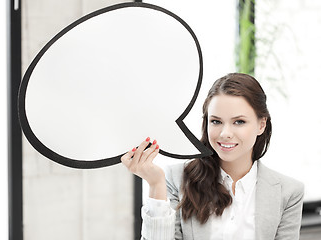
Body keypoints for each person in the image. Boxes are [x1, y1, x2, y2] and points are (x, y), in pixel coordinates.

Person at [121, 73, 304, 240]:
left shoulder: (288, 193)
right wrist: (156, 185)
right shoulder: (176, 179)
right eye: (216, 121)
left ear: (261, 125)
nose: (225, 133)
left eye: (239, 122)